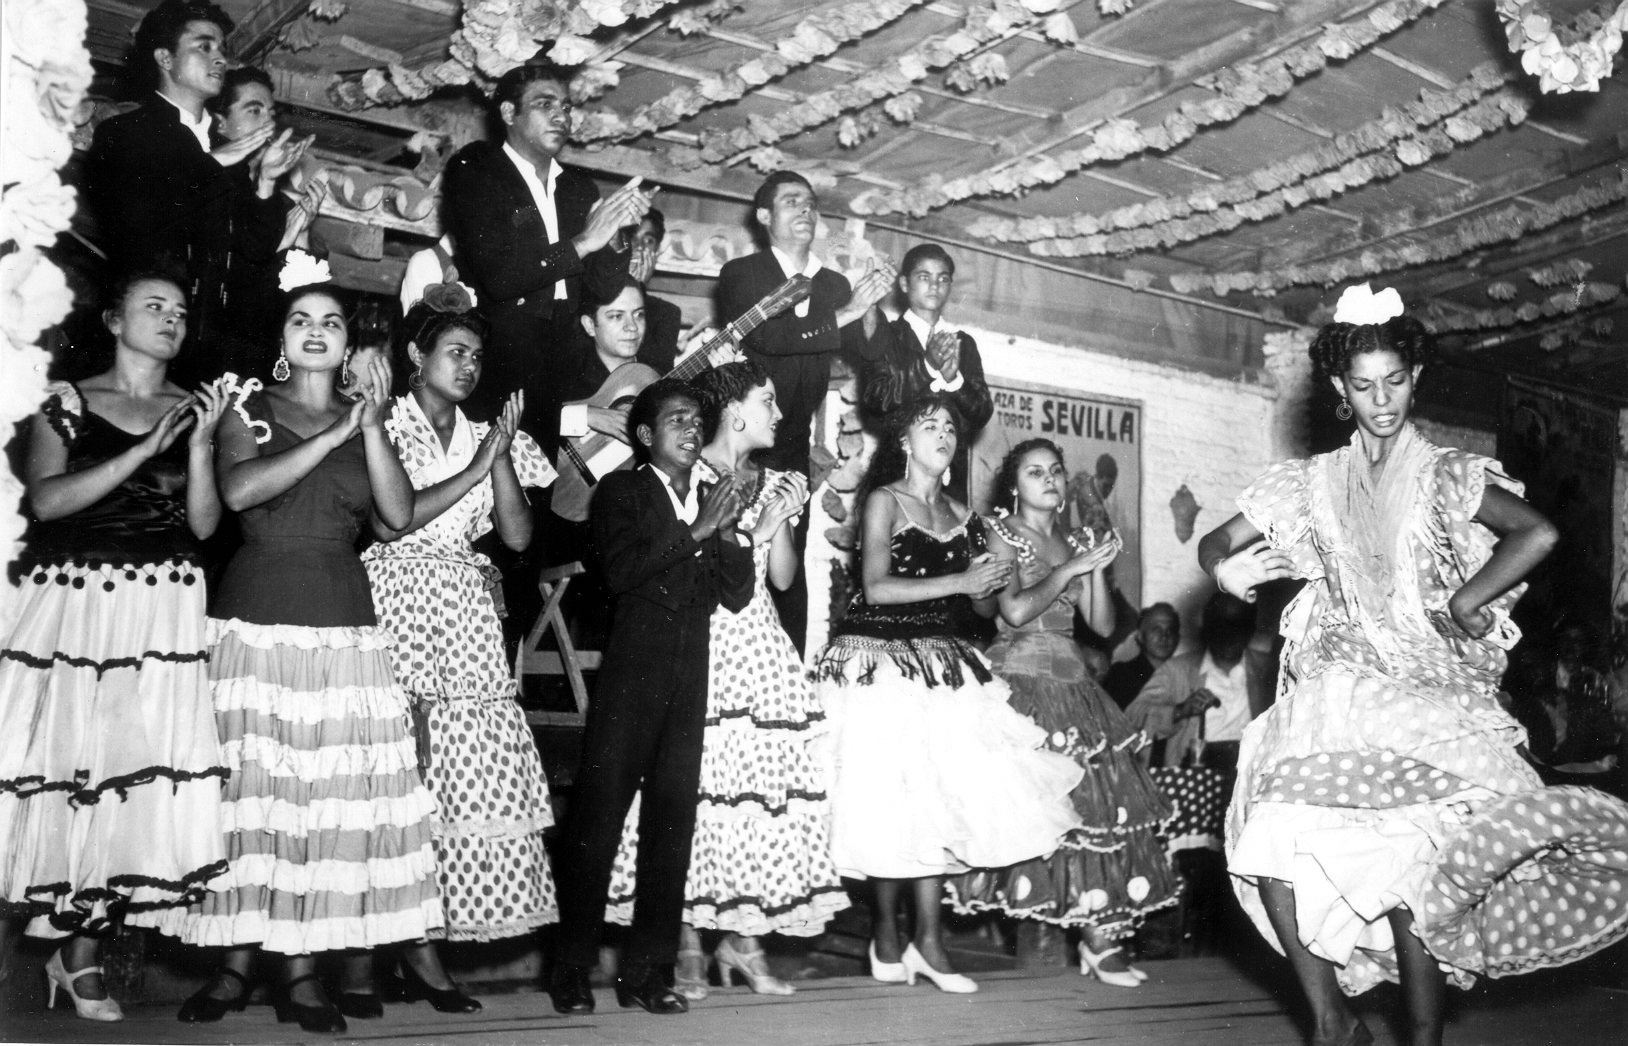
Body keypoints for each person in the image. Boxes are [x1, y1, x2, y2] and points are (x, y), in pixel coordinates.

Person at [1198, 286, 1628, 1046]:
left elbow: (1537, 533)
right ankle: (1332, 1023)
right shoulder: (1312, 482)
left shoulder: (1444, 475)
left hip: (1428, 689)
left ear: (1414, 376)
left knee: (1414, 868)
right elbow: (1216, 542)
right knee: (1272, 834)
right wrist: (1225, 574)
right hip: (1336, 685)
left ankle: (1422, 1038)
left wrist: (1470, 600)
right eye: (1363, 385)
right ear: (1339, 390)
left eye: (1394, 380)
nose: (1381, 398)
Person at [177, 281, 448, 1034]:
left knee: (314, 808)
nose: (317, 332)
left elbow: (394, 518)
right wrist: (332, 437)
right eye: (301, 321)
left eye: (332, 323)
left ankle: (299, 975)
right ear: (282, 337)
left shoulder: (367, 418)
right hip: (255, 619)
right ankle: (235, 967)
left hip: (341, 621)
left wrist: (367, 427)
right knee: (251, 804)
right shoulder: (247, 409)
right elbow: (237, 492)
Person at [0, 273, 228, 1022]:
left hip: (162, 604)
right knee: (70, 765)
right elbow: (46, 499)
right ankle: (58, 944)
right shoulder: (70, 400)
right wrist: (141, 453)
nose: (171, 319)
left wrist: (194, 446)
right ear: (113, 319)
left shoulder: (193, 407)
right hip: (79, 604)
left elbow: (201, 525)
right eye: (154, 307)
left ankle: (85, 956)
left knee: (133, 772)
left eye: (181, 311)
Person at [811, 396, 1083, 995]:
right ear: (905, 440)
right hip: (876, 660)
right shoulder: (884, 500)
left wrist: (995, 568)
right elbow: (877, 588)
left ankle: (928, 942)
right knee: (889, 801)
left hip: (940, 658)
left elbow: (984, 610)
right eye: (929, 425)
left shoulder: (966, 516)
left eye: (950, 429)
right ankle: (887, 934)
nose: (942, 435)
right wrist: (963, 577)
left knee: (935, 798)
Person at [604, 361, 849, 1000]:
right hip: (704, 639)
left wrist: (788, 518)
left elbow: (783, 580)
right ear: (734, 412)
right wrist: (750, 528)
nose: (778, 413)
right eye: (767, 401)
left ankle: (744, 941)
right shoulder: (692, 477)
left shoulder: (773, 481)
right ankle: (686, 942)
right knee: (697, 796)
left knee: (758, 794)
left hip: (760, 644)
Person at [361, 297, 559, 1001]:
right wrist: (476, 466)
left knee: (457, 776)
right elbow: (394, 522)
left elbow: (515, 537)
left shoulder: (487, 432)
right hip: (398, 599)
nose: (468, 365)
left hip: (467, 614)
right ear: (415, 357)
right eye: (454, 351)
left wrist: (497, 457)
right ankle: (389, 942)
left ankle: (426, 941)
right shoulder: (382, 421)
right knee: (399, 771)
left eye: (477, 355)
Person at [548, 379, 754, 1018]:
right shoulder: (623, 491)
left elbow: (736, 594)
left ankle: (648, 972)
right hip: (632, 678)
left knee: (672, 828)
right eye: (676, 420)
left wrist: (729, 528)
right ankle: (572, 969)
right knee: (598, 823)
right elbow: (621, 572)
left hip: (690, 680)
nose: (693, 429)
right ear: (643, 436)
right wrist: (698, 527)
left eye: (698, 420)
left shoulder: (708, 498)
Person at [948, 440, 1181, 986]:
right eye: (1035, 472)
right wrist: (1071, 567)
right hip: (1021, 679)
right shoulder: (999, 533)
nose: (1049, 480)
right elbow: (1014, 609)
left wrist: (1095, 565)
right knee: (1035, 816)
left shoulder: (1073, 537)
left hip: (1074, 681)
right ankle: (1048, 952)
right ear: (1015, 484)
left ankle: (1099, 942)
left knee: (1093, 811)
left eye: (1055, 471)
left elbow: (1099, 627)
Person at [84, 0, 309, 381]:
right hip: (142, 350)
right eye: (204, 46)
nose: (220, 58)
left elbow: (254, 252)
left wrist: (267, 183)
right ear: (165, 58)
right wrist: (212, 164)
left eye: (222, 48)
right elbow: (138, 225)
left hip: (214, 356)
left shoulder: (230, 151)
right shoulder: (124, 134)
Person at [715, 170, 893, 648]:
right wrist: (849, 310)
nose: (806, 211)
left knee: (787, 574)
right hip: (739, 445)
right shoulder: (743, 274)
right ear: (764, 216)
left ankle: (788, 683)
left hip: (792, 449)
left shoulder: (833, 283)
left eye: (812, 203)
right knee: (730, 560)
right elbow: (766, 336)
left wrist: (869, 299)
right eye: (792, 201)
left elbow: (871, 351)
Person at [441, 61, 651, 427]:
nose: (561, 117)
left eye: (566, 107)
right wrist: (584, 240)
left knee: (539, 484)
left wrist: (615, 231)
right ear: (509, 112)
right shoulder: (477, 171)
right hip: (493, 360)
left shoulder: (578, 189)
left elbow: (602, 288)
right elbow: (500, 277)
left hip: (561, 365)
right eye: (545, 104)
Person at [1126, 591, 1271, 955]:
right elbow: (1133, 716)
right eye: (1220, 628)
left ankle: (1236, 947)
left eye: (1236, 629)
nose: (1228, 639)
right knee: (1183, 860)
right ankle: (1169, 945)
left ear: (1249, 629)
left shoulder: (1265, 668)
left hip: (1250, 774)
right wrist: (1181, 709)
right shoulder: (1179, 670)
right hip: (1196, 773)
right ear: (1206, 629)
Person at [209, 66, 325, 379]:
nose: (268, 122)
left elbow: (297, 295)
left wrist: (300, 235)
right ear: (220, 122)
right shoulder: (207, 184)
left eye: (270, 112)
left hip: (259, 356)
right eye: (254, 110)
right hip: (211, 354)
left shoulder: (274, 198)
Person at [859, 244, 992, 504]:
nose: (934, 285)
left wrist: (954, 381)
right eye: (924, 277)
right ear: (905, 284)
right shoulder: (887, 334)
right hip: (897, 472)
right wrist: (927, 366)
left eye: (943, 278)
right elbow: (876, 398)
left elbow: (981, 412)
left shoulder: (964, 343)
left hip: (949, 481)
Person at [630, 208, 684, 372]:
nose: (639, 247)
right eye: (632, 239)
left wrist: (637, 290)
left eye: (649, 241)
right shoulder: (592, 300)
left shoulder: (667, 314)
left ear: (657, 252)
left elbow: (653, 378)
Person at [1104, 603, 1180, 709]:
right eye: (1156, 629)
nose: (1164, 636)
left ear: (1178, 639)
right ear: (1140, 636)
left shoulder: (1184, 674)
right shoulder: (1121, 674)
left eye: (1170, 630)